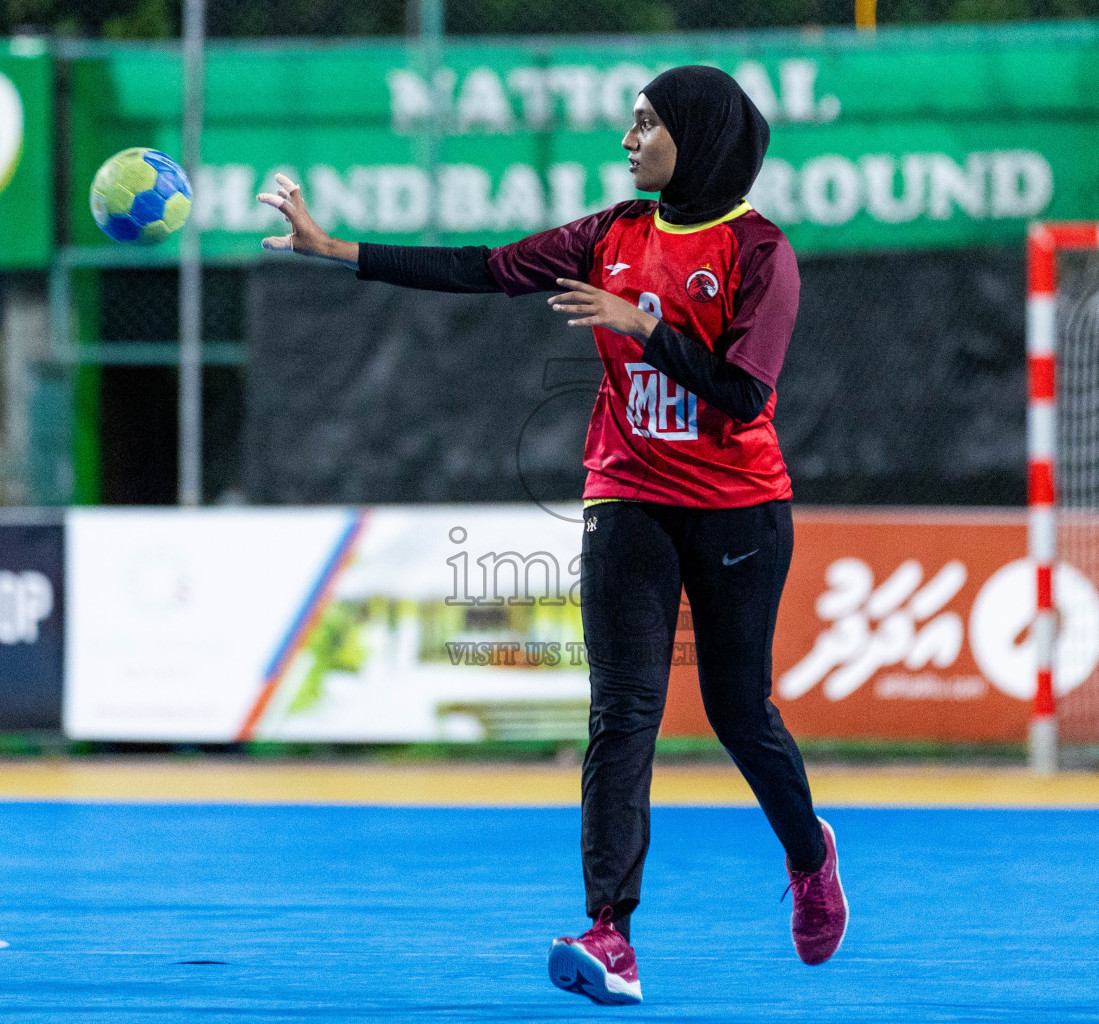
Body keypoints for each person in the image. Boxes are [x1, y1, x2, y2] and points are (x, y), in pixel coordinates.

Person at [256, 65, 847, 1005]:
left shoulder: (761, 254)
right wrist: (336, 248)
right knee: (623, 712)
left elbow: (744, 396)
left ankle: (810, 857)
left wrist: (639, 326)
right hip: (628, 495)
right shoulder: (609, 233)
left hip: (739, 508)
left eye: (646, 123)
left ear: (696, 136)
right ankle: (609, 935)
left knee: (739, 712)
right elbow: (483, 267)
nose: (627, 139)